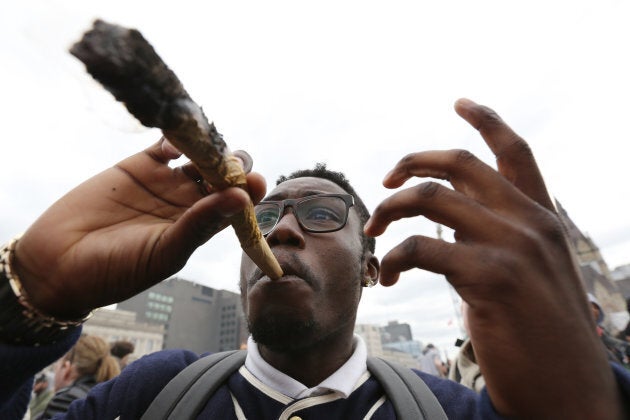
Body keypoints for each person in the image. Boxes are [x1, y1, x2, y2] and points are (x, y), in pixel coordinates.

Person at [1, 98, 629, 419]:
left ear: (371, 269)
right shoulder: (150, 394)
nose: (281, 232)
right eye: (264, 217)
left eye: (323, 215)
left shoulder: (454, 411)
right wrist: (19, 308)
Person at [38, 335, 120, 419]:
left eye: (58, 362)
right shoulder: (102, 398)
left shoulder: (68, 400)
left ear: (66, 368)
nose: (55, 368)